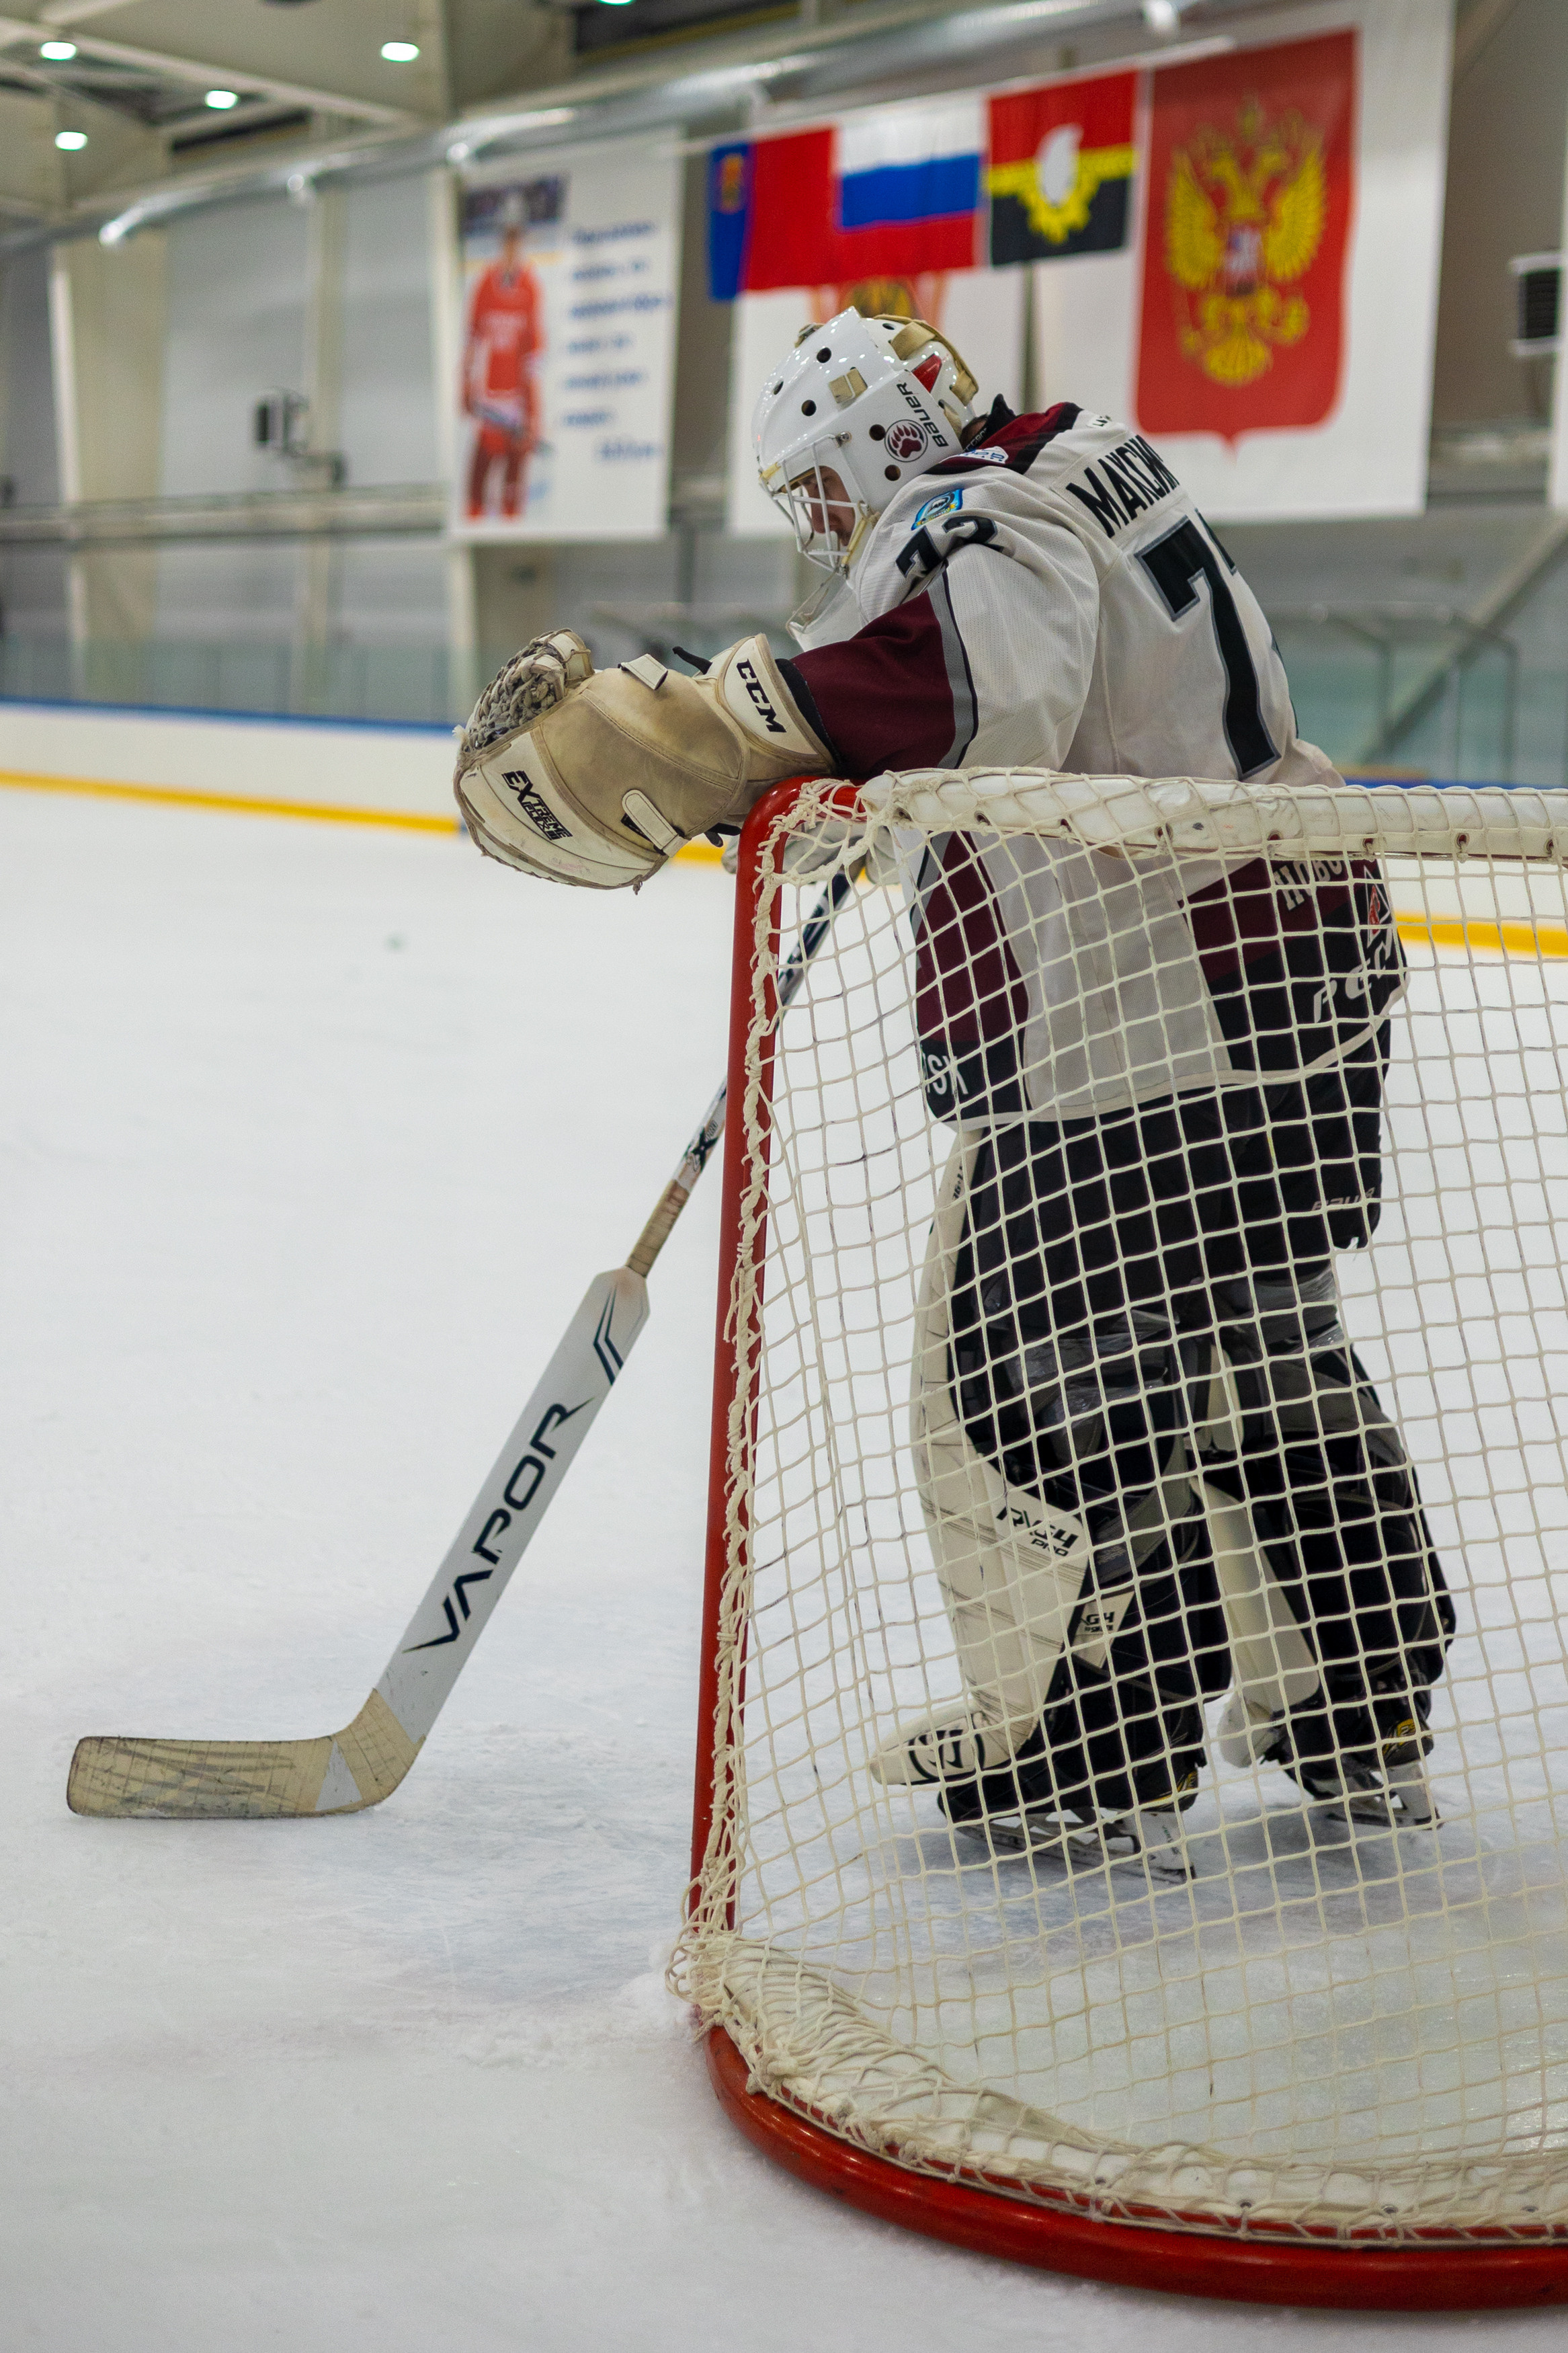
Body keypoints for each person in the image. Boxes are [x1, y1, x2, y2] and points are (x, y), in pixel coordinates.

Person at [451, 306, 1453, 1871]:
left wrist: (725, 729)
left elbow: (986, 697)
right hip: (1294, 997)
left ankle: (1089, 1744)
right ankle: (1356, 1692)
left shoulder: (969, 505)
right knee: (1260, 1345)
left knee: (1014, 1380)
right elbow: (1030, 701)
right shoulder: (1095, 463)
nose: (829, 530)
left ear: (876, 439)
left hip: (1135, 1026)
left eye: (823, 491)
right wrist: (815, 764)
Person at [463, 194, 542, 521]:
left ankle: (512, 514)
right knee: (482, 461)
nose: (512, 245)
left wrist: (533, 407)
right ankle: (475, 507)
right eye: (507, 238)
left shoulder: (530, 287)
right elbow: (472, 338)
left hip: (516, 396)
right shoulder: (485, 284)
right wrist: (466, 385)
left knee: (515, 462)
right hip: (490, 392)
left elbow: (533, 354)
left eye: (517, 238)